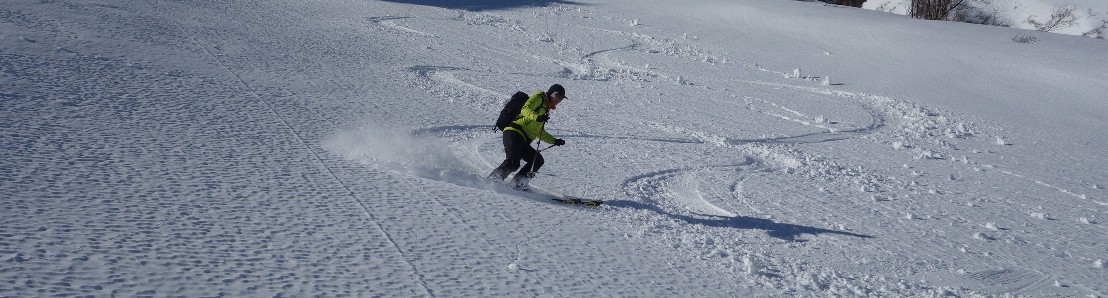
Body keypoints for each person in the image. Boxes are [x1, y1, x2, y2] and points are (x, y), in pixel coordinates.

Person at [488, 84, 567, 190]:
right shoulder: (538, 98)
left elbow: (539, 132)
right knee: (513, 162)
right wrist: (537, 117)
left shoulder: (545, 109)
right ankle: (491, 181)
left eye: (561, 98)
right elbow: (525, 109)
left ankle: (518, 184)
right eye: (557, 96)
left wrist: (554, 141)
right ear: (551, 92)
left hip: (522, 139)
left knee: (537, 160)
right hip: (514, 132)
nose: (559, 100)